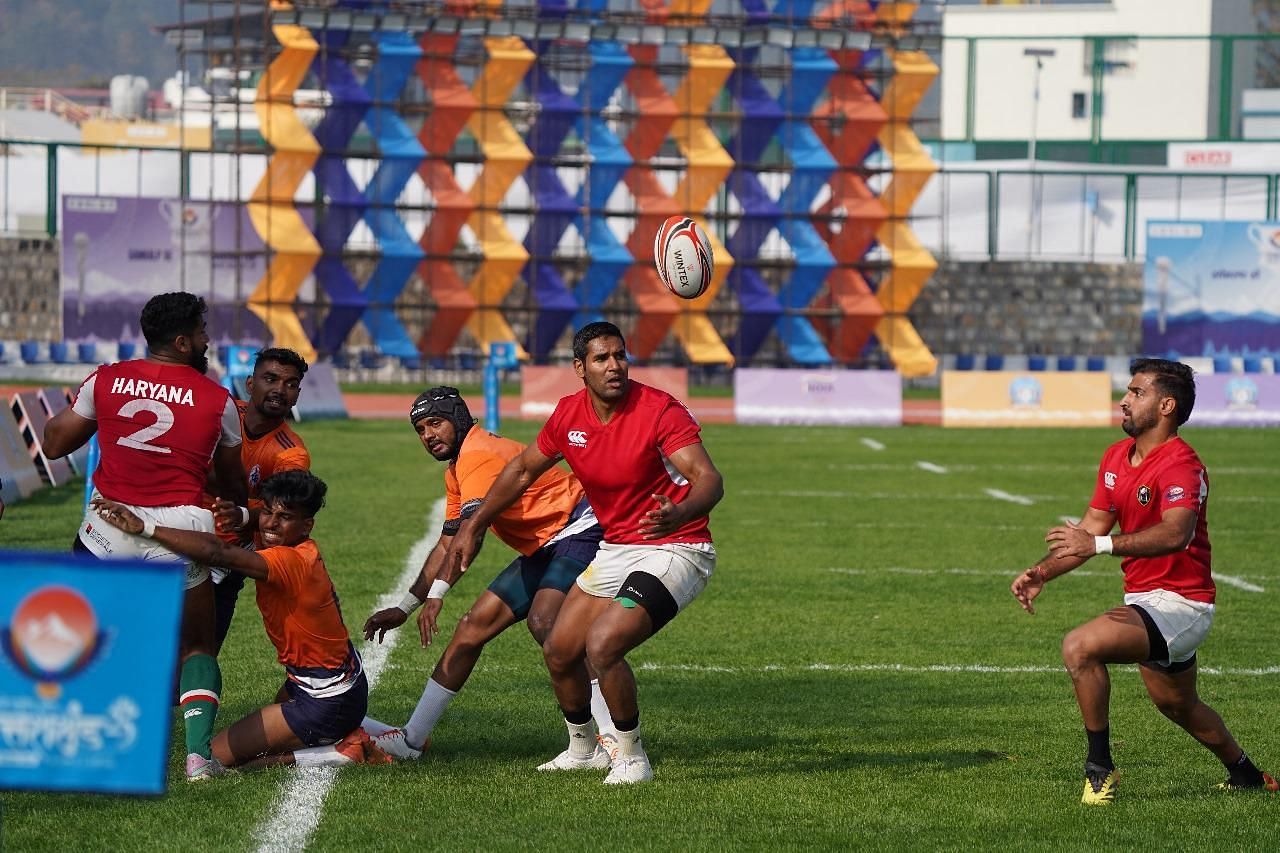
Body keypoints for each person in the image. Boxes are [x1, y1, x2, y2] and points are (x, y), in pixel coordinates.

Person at [447, 322, 724, 784]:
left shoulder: (659, 409)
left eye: (620, 355)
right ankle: (583, 748)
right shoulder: (569, 414)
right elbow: (520, 470)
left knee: (604, 644)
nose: (614, 365)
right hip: (617, 548)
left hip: (677, 546)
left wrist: (681, 511)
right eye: (601, 358)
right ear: (580, 368)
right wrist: (473, 525)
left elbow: (709, 478)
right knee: (559, 648)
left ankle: (632, 757)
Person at [1010, 358, 1276, 805]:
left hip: (1182, 605)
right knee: (1177, 705)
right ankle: (1247, 774)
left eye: (1136, 393)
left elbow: (1177, 533)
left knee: (1080, 646)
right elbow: (1091, 527)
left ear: (1166, 405)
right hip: (1146, 601)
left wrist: (1096, 546)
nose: (1124, 400)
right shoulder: (1116, 456)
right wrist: (1043, 572)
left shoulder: (1182, 465)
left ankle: (1099, 770)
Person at [42, 292, 248, 781]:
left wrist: (89, 406)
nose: (206, 339)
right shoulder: (219, 400)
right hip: (179, 533)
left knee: (83, 635)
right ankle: (198, 757)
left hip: (106, 530)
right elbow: (231, 486)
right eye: (201, 331)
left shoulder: (106, 379)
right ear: (182, 342)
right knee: (196, 646)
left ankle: (74, 740)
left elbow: (53, 444)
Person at [359, 386, 610, 763]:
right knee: (472, 627)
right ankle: (412, 741)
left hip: (580, 526)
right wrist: (407, 605)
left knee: (546, 621)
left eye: (435, 423)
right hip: (545, 544)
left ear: (459, 419)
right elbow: (448, 544)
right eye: (420, 430)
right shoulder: (458, 467)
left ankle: (606, 738)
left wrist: (438, 594)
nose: (428, 436)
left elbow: (471, 537)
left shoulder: (477, 455)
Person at [90, 470, 386, 771]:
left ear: (306, 525)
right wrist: (245, 515)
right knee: (277, 710)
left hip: (326, 698)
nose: (271, 523)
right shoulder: (294, 544)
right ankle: (380, 734)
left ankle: (339, 751)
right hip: (335, 683)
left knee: (217, 759)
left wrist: (146, 528)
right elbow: (253, 521)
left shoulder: (291, 561)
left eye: (284, 517)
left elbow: (219, 553)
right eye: (268, 512)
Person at [209, 347, 311, 652]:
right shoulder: (219, 415)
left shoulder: (292, 453)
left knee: (201, 652)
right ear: (251, 384)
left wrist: (240, 515)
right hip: (177, 540)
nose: (280, 389)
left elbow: (280, 516)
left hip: (226, 558)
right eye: (271, 379)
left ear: (297, 394)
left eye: (290, 384)